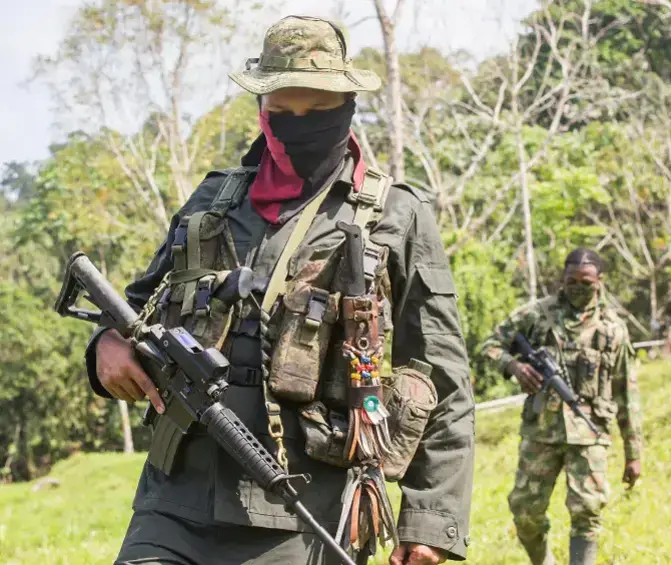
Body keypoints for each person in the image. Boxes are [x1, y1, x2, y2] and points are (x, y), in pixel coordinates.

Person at [86, 15, 474, 565]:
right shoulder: (213, 200)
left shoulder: (396, 215)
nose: (299, 126)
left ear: (348, 107)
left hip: (306, 513)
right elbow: (133, 306)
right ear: (261, 110)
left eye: (318, 111)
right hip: (174, 501)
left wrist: (430, 520)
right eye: (283, 112)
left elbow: (442, 373)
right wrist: (105, 344)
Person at [480, 249, 642, 565]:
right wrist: (514, 366)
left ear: (600, 281)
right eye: (571, 281)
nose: (578, 288)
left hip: (590, 432)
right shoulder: (536, 315)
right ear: (562, 279)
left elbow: (627, 393)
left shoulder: (613, 329)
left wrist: (634, 453)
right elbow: (490, 345)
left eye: (586, 282)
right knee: (525, 510)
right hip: (541, 429)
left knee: (587, 511)